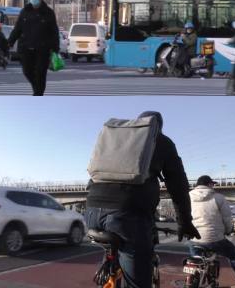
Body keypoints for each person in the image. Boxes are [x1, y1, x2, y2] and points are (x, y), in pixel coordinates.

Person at [85, 111, 201, 288]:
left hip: (92, 210)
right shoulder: (161, 141)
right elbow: (178, 186)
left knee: (115, 252)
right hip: (127, 216)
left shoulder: (118, 139)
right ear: (158, 127)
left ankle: (109, 273)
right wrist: (184, 222)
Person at [189, 175, 235, 283]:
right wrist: (228, 230)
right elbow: (227, 218)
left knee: (195, 261)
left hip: (194, 238)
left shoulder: (187, 196)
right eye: (212, 184)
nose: (213, 186)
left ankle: (193, 280)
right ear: (209, 184)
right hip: (215, 239)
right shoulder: (219, 197)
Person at [8, 0, 60, 96]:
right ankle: (37, 90)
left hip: (43, 49)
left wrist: (55, 49)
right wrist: (10, 42)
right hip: (26, 48)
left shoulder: (48, 13)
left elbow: (54, 32)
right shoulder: (25, 11)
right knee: (27, 71)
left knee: (41, 73)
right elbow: (17, 29)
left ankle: (38, 94)